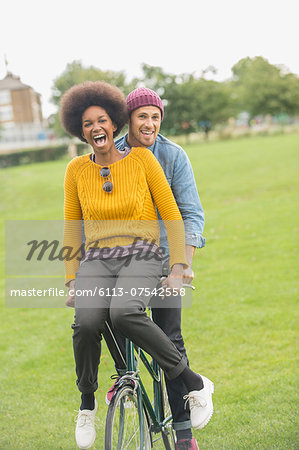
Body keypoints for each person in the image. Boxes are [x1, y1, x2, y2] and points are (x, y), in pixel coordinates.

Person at [60, 81, 213, 450]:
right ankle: (108, 388)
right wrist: (71, 281)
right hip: (102, 259)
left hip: (153, 257)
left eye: (155, 116)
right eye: (141, 116)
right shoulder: (85, 166)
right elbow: (72, 225)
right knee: (91, 319)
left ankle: (183, 431)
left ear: (112, 122)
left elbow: (184, 214)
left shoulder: (166, 156)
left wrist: (180, 266)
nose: (149, 123)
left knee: (159, 330)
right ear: (125, 121)